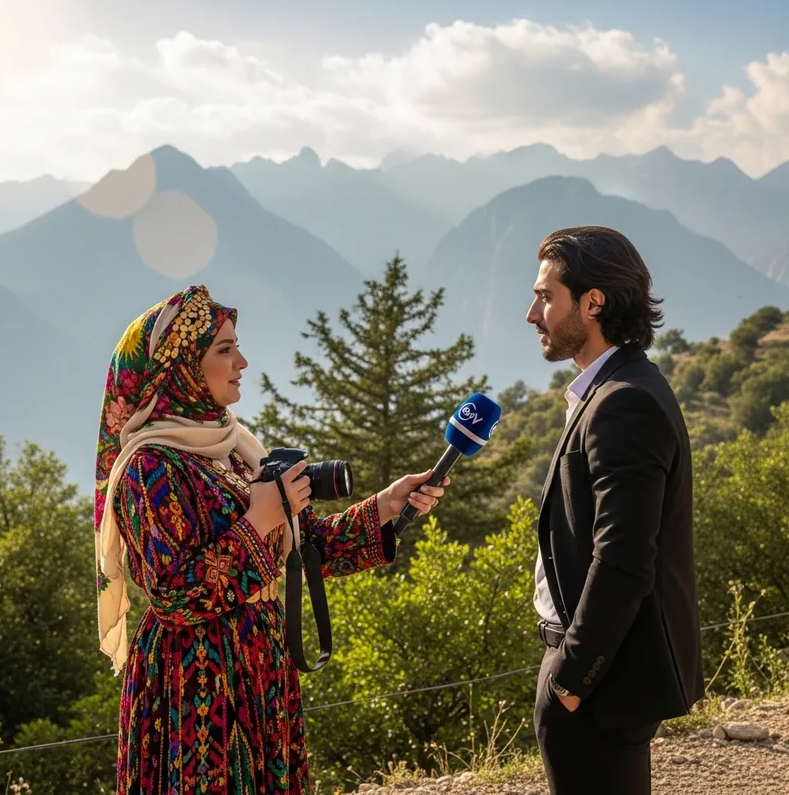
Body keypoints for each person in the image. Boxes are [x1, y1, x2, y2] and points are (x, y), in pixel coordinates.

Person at [94, 284, 448, 794]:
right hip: (192, 682)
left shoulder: (233, 449)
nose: (241, 360)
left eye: (236, 345)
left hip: (259, 663)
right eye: (223, 349)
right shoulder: (148, 469)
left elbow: (300, 547)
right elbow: (173, 596)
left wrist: (386, 506)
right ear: (181, 368)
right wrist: (257, 520)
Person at [524, 227, 703, 794]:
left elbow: (624, 558)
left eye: (546, 296)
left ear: (593, 301)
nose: (532, 313)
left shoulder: (623, 402)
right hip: (595, 676)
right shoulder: (622, 387)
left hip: (598, 684)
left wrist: (573, 678)